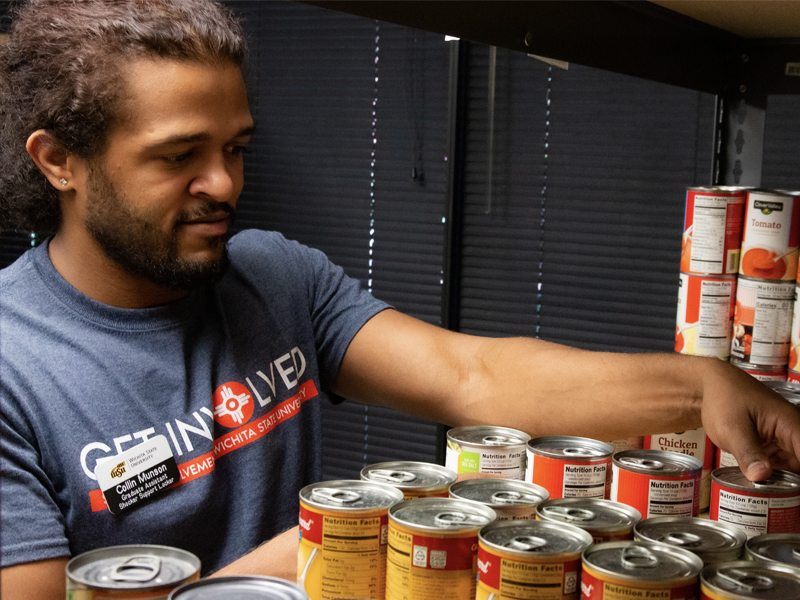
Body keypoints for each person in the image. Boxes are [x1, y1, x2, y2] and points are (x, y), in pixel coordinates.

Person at [1, 1, 799, 598]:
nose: (224, 185)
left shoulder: (272, 273)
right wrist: (339, 542)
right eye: (180, 156)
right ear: (59, 160)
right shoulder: (13, 366)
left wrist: (702, 387)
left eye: (236, 149)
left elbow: (472, 377)